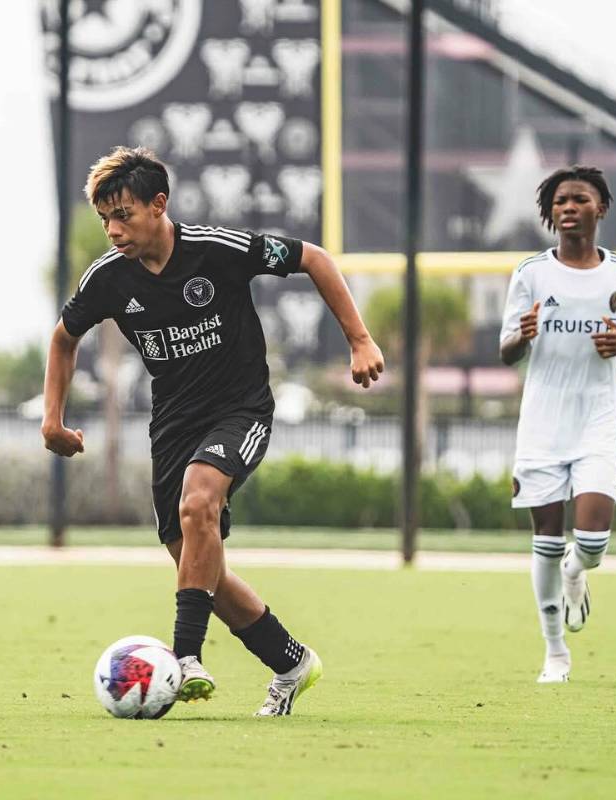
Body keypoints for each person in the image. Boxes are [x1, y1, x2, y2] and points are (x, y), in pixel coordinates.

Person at [42, 146, 384, 715]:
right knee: (196, 562)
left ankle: (184, 657)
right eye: (105, 219)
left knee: (200, 504)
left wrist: (359, 339)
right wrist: (52, 419)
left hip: (240, 409)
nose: (113, 229)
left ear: (159, 204)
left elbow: (315, 258)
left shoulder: (217, 250)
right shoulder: (108, 279)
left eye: (123, 214)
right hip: (172, 423)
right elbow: (63, 338)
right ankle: (291, 661)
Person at [499, 165, 616, 683]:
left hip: (596, 418)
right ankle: (555, 653)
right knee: (545, 536)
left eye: (579, 199)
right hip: (542, 422)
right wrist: (521, 336)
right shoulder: (530, 274)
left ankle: (575, 573)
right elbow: (506, 352)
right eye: (561, 201)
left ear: (600, 208)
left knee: (590, 543)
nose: (569, 208)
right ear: (550, 212)